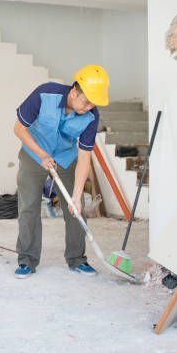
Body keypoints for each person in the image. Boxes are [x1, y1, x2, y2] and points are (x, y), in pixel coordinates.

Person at [13, 64, 110, 278]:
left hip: (65, 158)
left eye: (92, 103)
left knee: (76, 208)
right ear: (74, 91)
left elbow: (85, 156)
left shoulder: (91, 116)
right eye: (85, 102)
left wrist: (76, 196)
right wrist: (41, 154)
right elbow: (19, 128)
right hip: (33, 154)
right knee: (29, 206)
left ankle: (77, 259)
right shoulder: (44, 94)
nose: (88, 108)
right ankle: (27, 260)